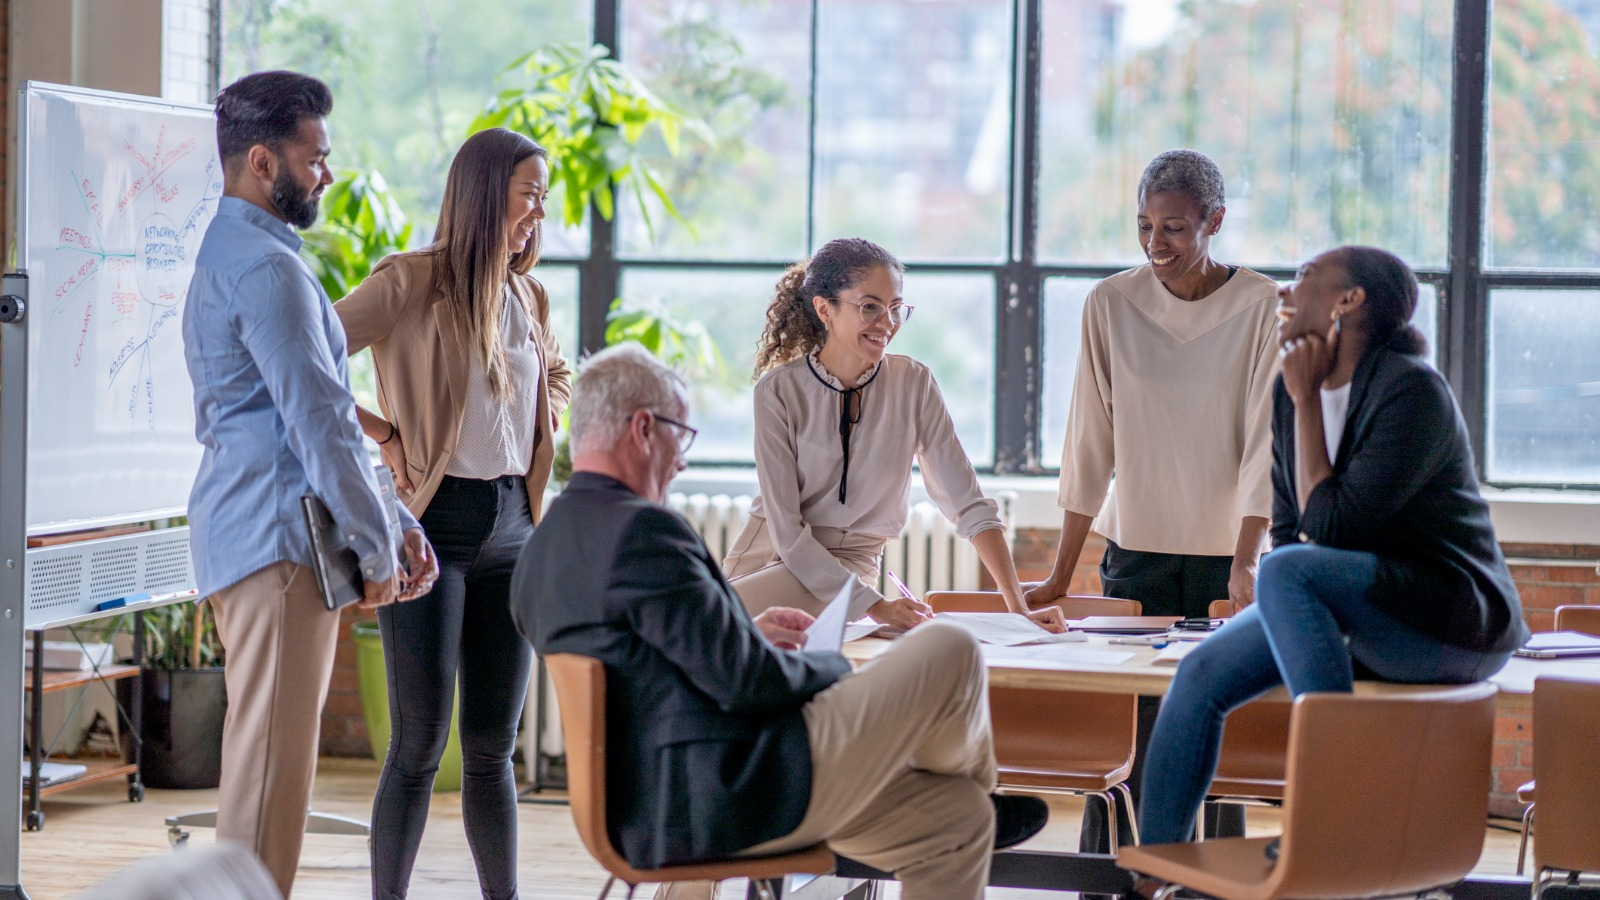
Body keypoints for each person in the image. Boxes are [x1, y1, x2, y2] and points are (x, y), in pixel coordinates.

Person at [510, 343, 1049, 900]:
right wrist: (830, 661)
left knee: (956, 819)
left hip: (646, 809)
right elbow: (748, 683)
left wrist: (742, 634)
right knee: (950, 647)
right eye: (682, 435)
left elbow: (645, 667)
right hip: (733, 795)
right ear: (645, 428)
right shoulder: (646, 533)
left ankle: (966, 792)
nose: (684, 459)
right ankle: (971, 779)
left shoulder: (542, 549)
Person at [1136, 246, 1529, 855]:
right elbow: (1291, 528)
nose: (1285, 294)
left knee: (1288, 572)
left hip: (1453, 623)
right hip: (1359, 610)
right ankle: (1154, 872)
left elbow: (1333, 528)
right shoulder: (1287, 395)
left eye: (1305, 278)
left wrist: (1306, 401)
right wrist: (1299, 401)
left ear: (1349, 302)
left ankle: (1334, 817)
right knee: (1200, 674)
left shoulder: (1412, 393)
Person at [182, 70, 438, 897]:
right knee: (265, 791)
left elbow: (321, 416)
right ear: (262, 162)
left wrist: (394, 518)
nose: (325, 173)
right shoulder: (266, 271)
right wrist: (378, 545)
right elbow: (321, 425)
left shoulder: (246, 257)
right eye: (313, 157)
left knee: (270, 781)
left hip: (263, 537)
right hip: (280, 549)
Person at [333, 127, 571, 900]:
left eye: (543, 195)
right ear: (484, 191)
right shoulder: (411, 280)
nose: (540, 210)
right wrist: (386, 434)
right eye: (529, 192)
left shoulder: (527, 292)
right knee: (418, 746)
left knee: (492, 749)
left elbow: (556, 373)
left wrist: (547, 423)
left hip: (515, 529)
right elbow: (309, 347)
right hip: (431, 529)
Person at [1022, 149, 1280, 851]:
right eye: (1144, 227)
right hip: (1135, 552)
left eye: (1173, 228)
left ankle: (1208, 882)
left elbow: (1266, 446)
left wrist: (1248, 560)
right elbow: (1089, 444)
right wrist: (1059, 572)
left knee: (1214, 737)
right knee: (1135, 737)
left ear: (1214, 222)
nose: (1155, 244)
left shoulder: (1262, 305)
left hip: (1229, 558)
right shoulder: (1110, 303)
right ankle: (1114, 880)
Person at [728, 237, 1063, 633]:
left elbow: (969, 505)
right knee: (699, 635)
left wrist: (1017, 606)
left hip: (849, 568)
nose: (886, 323)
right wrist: (877, 606)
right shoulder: (777, 391)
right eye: (869, 307)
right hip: (769, 553)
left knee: (704, 632)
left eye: (895, 308)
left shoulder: (914, 383)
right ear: (824, 309)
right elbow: (787, 533)